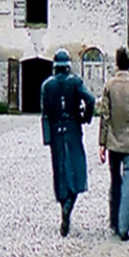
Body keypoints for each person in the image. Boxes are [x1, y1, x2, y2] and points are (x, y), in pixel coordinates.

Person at [41, 49, 97, 237]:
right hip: (73, 128)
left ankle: (63, 205)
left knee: (60, 172)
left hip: (57, 132)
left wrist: (48, 138)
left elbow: (45, 114)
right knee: (77, 170)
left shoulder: (47, 86)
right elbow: (90, 100)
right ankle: (69, 205)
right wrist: (85, 117)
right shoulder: (75, 82)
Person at [98, 47, 129, 241]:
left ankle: (113, 221)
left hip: (113, 141)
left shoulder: (109, 85)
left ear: (117, 63)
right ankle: (124, 227)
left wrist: (102, 143)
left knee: (115, 181)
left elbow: (105, 116)